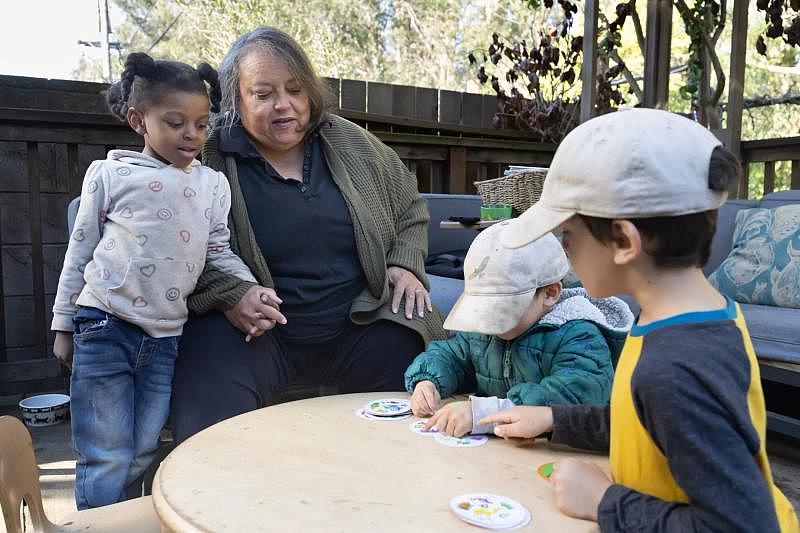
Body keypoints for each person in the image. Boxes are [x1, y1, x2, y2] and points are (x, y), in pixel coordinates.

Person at [479, 109, 799, 532]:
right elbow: (647, 424)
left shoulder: (677, 368)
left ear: (624, 241)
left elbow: (744, 526)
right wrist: (556, 419)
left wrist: (605, 502)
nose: (564, 251)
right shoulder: (687, 317)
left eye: (568, 236)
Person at [169, 27, 446, 443]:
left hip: (357, 321)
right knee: (207, 371)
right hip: (258, 332)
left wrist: (404, 262)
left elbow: (410, 205)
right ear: (235, 100)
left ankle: (390, 482)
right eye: (263, 94)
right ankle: (214, 493)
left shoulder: (350, 142)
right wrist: (228, 292)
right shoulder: (208, 157)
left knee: (414, 359)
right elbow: (169, 240)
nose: (285, 105)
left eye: (295, 89)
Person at [51, 53, 262, 509]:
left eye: (201, 124)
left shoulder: (212, 185)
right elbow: (80, 249)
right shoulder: (109, 174)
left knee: (146, 445)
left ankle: (126, 515)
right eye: (175, 122)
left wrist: (249, 287)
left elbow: (219, 251)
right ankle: (97, 522)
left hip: (166, 335)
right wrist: (63, 323)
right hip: (104, 324)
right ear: (138, 120)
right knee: (104, 450)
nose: (191, 134)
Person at [404, 222, 632, 437]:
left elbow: (577, 396)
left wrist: (486, 413)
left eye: (502, 308)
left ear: (550, 293)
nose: (490, 319)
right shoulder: (482, 331)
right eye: (484, 307)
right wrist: (428, 380)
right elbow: (452, 355)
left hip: (560, 454)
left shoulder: (579, 335)